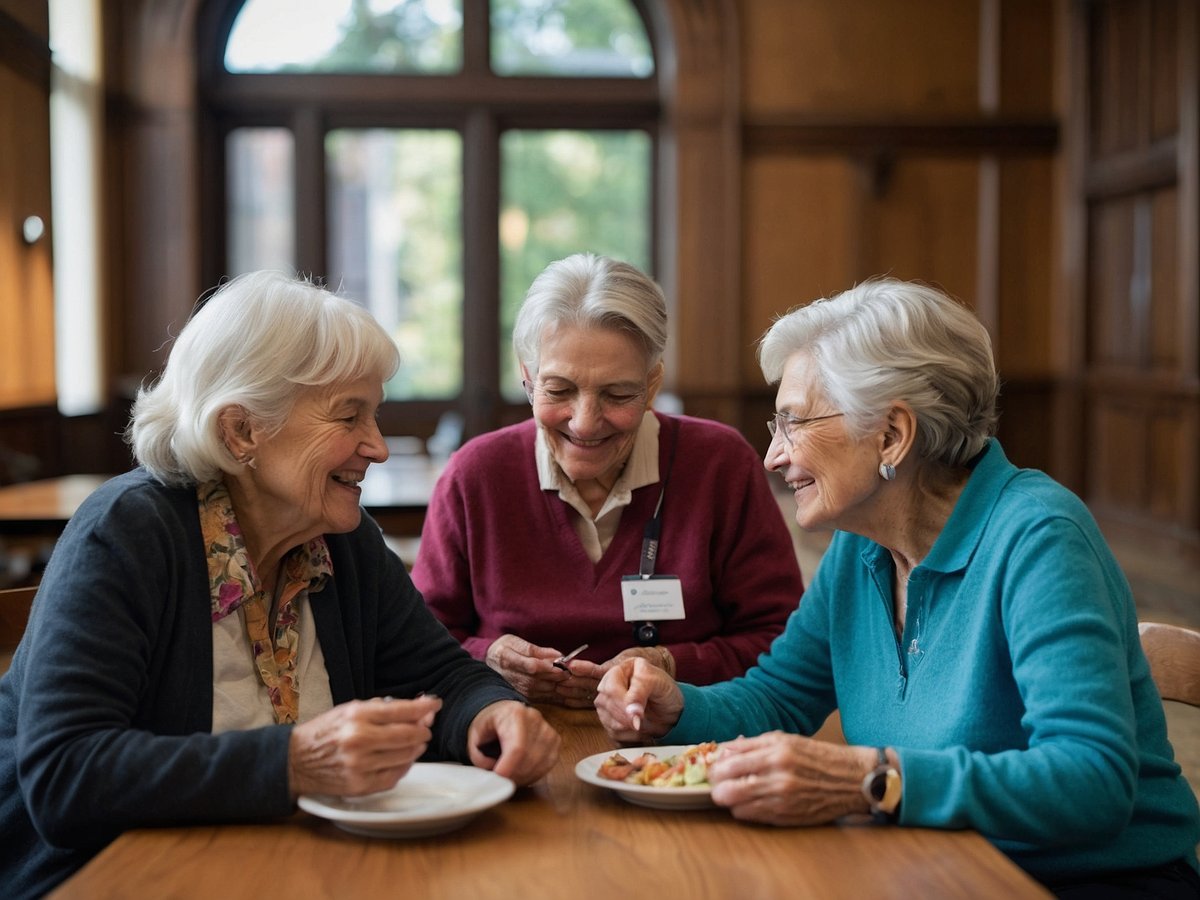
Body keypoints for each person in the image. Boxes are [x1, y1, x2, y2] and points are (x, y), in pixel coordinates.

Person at [596, 277, 1200, 896]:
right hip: (931, 868)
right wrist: (679, 707)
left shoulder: (1040, 538)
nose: (772, 456)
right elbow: (778, 699)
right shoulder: (864, 544)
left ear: (891, 436)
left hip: (1091, 882)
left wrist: (871, 777)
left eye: (793, 423)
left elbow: (1091, 781)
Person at [0, 271, 560, 899]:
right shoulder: (128, 534)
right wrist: (294, 761)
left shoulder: (341, 540)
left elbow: (445, 675)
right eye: (350, 416)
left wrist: (496, 714)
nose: (376, 447)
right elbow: (65, 778)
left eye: (373, 414)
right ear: (241, 432)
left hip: (294, 871)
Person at [412, 253, 801, 708]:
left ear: (652, 385)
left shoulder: (719, 465)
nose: (585, 423)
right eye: (558, 390)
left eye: (617, 394)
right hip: (512, 735)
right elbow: (418, 644)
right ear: (527, 378)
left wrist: (672, 665)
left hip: (680, 744)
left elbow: (783, 641)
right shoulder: (474, 475)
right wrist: (488, 656)